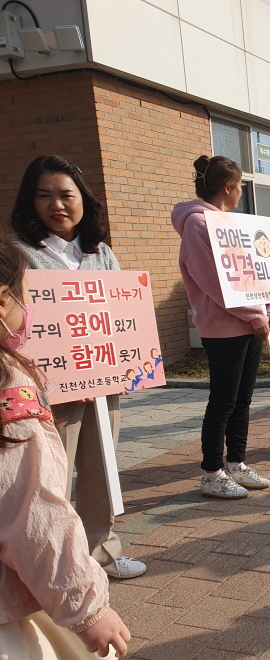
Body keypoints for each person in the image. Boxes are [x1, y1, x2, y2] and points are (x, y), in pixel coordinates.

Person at [10, 155, 146, 579]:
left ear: (83, 199)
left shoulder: (101, 253)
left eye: (66, 195)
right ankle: (54, 563)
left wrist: (127, 364)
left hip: (103, 381)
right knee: (50, 476)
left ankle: (101, 552)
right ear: (29, 202)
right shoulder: (18, 254)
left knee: (100, 469)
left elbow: (124, 315)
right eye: (44, 196)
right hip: (49, 390)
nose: (57, 205)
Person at [0, 238, 132, 659]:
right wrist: (88, 611)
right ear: (3, 302)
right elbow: (34, 516)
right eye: (26, 294)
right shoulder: (9, 389)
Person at [173, 155, 270, 499]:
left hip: (251, 325)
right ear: (227, 188)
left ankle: (236, 463)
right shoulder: (198, 225)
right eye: (239, 187)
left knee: (242, 400)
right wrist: (258, 315)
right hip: (224, 328)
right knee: (222, 401)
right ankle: (211, 472)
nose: (241, 193)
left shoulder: (236, 223)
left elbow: (264, 270)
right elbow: (215, 283)